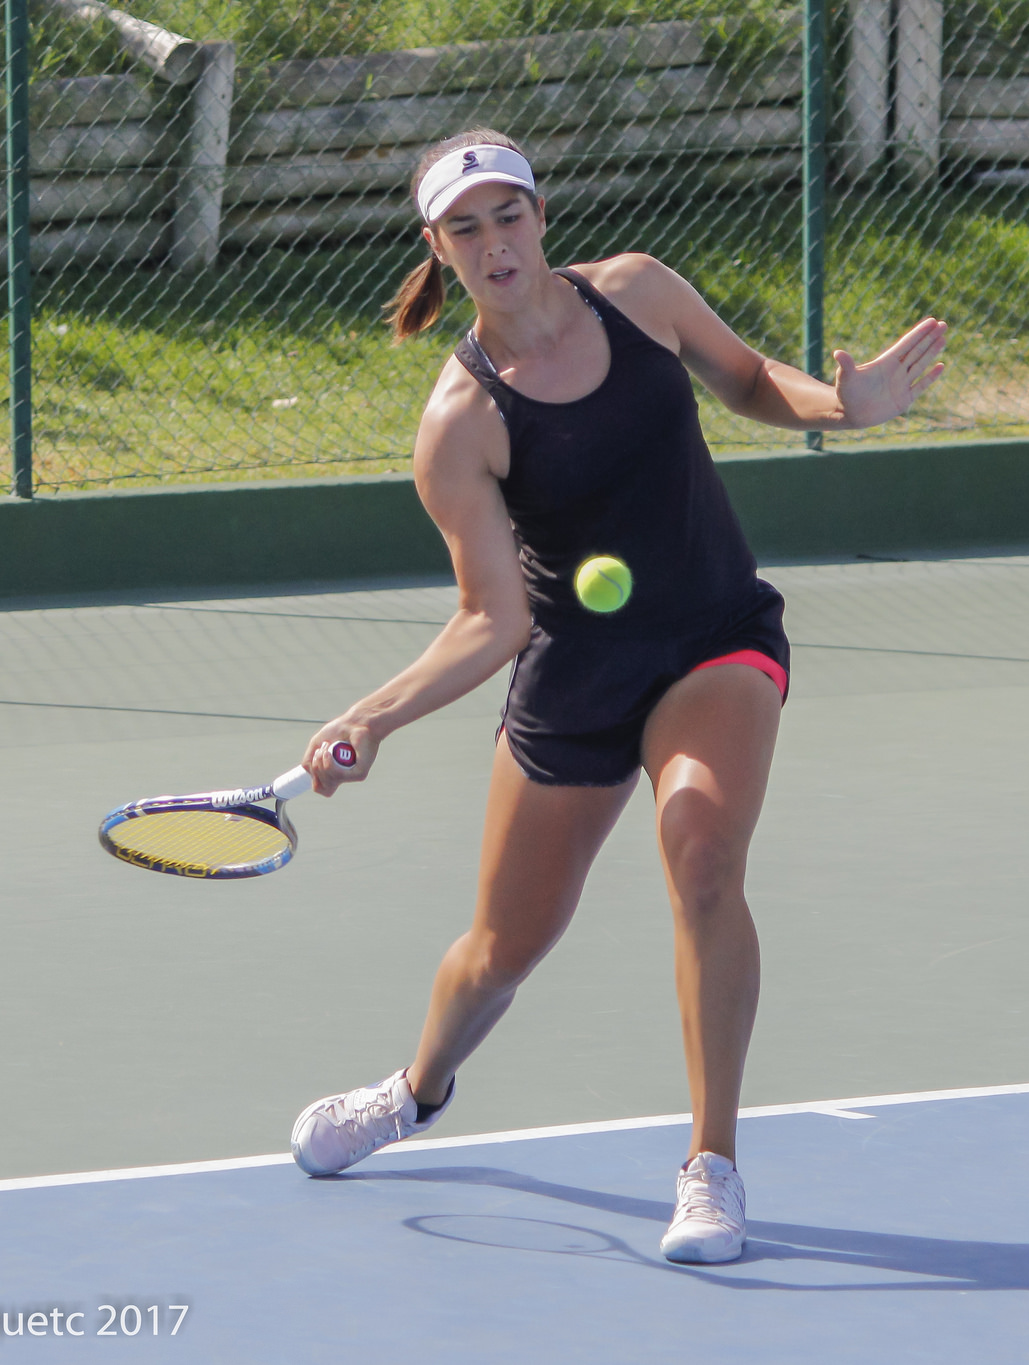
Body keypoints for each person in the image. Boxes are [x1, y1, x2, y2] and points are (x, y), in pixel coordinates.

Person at [288, 128, 947, 1264]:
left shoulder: (639, 294)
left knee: (702, 852)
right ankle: (414, 1089)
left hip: (712, 636)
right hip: (577, 675)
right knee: (503, 947)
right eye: (465, 228)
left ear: (541, 216)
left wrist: (844, 410)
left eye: (509, 215)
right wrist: (372, 717)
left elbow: (748, 379)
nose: (495, 242)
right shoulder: (460, 424)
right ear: (437, 249)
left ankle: (710, 1167)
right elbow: (492, 619)